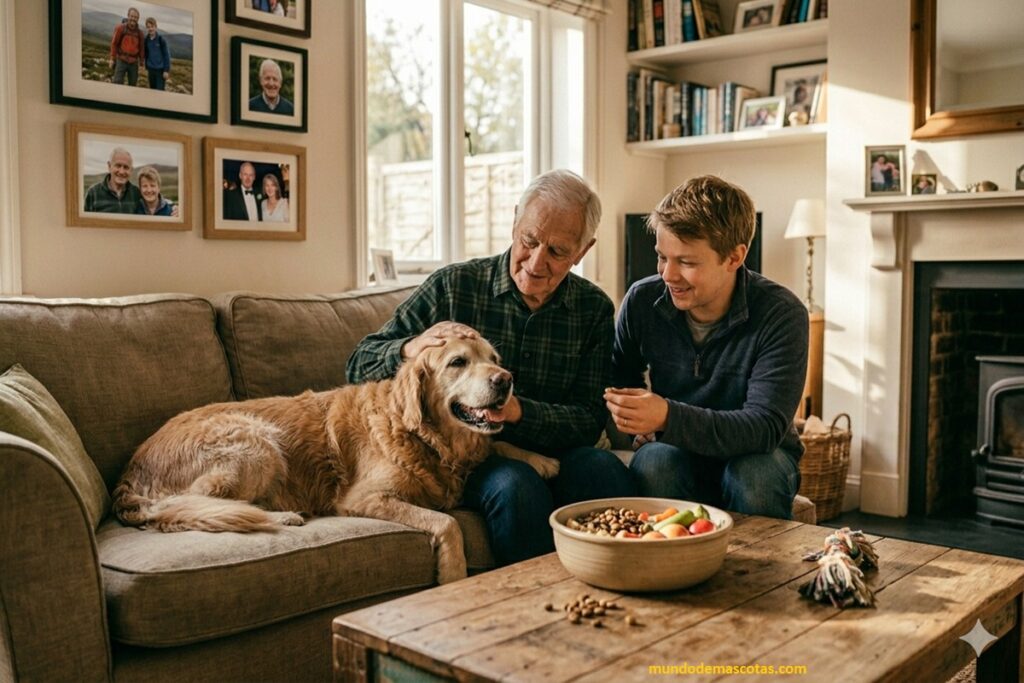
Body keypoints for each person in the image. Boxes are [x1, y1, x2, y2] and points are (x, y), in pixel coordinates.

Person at [346, 169, 637, 566]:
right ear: (516, 220)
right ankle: (528, 604)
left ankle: (626, 588)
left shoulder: (593, 309)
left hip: (560, 450)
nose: (536, 263)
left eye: (557, 252)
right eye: (529, 241)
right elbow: (358, 363)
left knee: (606, 472)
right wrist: (411, 347)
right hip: (473, 456)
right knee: (516, 485)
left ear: (583, 251)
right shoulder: (453, 287)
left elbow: (588, 419)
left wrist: (519, 412)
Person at [605, 175, 808, 520]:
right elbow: (619, 380)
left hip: (759, 455)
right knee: (654, 462)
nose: (668, 275)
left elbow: (764, 428)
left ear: (734, 257)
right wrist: (639, 424)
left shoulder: (782, 314)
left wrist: (666, 416)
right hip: (676, 450)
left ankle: (761, 574)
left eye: (686, 262)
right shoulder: (642, 300)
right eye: (661, 257)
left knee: (755, 475)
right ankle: (669, 571)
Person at [84, 147, 142, 213]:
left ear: (131, 170)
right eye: (118, 166)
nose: (121, 172)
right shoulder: (93, 193)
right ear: (109, 166)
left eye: (126, 167)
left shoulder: (136, 193)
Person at [109, 8, 145, 87]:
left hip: (133, 62)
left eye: (135, 17)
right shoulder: (120, 28)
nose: (133, 19)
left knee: (132, 84)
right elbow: (114, 44)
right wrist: (112, 58)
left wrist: (142, 62)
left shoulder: (140, 33)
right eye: (132, 16)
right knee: (117, 83)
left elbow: (142, 48)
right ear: (128, 16)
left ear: (138, 19)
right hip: (121, 59)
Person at [143, 17, 171, 91]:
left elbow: (166, 56)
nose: (150, 29)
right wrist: (145, 65)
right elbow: (146, 53)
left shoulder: (161, 40)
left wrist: (166, 70)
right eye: (148, 27)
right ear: (146, 28)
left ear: (156, 27)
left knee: (159, 91)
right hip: (151, 70)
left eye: (152, 26)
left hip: (160, 71)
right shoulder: (146, 40)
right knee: (152, 90)